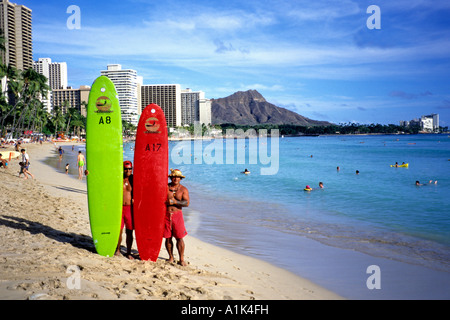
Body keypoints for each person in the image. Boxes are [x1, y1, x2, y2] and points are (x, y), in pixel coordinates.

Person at [165, 169, 190, 266]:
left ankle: (181, 259)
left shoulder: (183, 189)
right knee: (168, 238)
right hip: (166, 214)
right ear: (171, 178)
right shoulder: (166, 187)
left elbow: (186, 203)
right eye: (174, 176)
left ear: (180, 179)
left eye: (178, 177)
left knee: (179, 237)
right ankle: (170, 257)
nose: (176, 178)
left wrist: (174, 202)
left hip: (177, 215)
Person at [116, 161, 135, 259]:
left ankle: (128, 252)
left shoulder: (134, 179)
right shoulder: (118, 178)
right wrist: (89, 173)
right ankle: (118, 249)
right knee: (119, 230)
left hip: (130, 209)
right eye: (126, 168)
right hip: (119, 208)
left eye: (130, 169)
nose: (128, 170)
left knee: (129, 231)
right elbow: (103, 179)